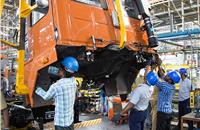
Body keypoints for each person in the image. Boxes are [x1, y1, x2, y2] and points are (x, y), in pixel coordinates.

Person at [35, 57, 79, 130]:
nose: (59, 70)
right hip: (70, 121)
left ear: (62, 70)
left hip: (60, 123)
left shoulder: (56, 86)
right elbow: (62, 72)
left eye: (60, 68)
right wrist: (49, 69)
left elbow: (46, 97)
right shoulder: (73, 81)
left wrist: (37, 89)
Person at [156, 64, 181, 130]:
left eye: (168, 75)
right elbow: (162, 75)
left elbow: (153, 80)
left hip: (162, 113)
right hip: (168, 113)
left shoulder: (164, 85)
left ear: (170, 80)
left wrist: (149, 69)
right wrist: (158, 65)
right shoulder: (172, 86)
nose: (166, 75)